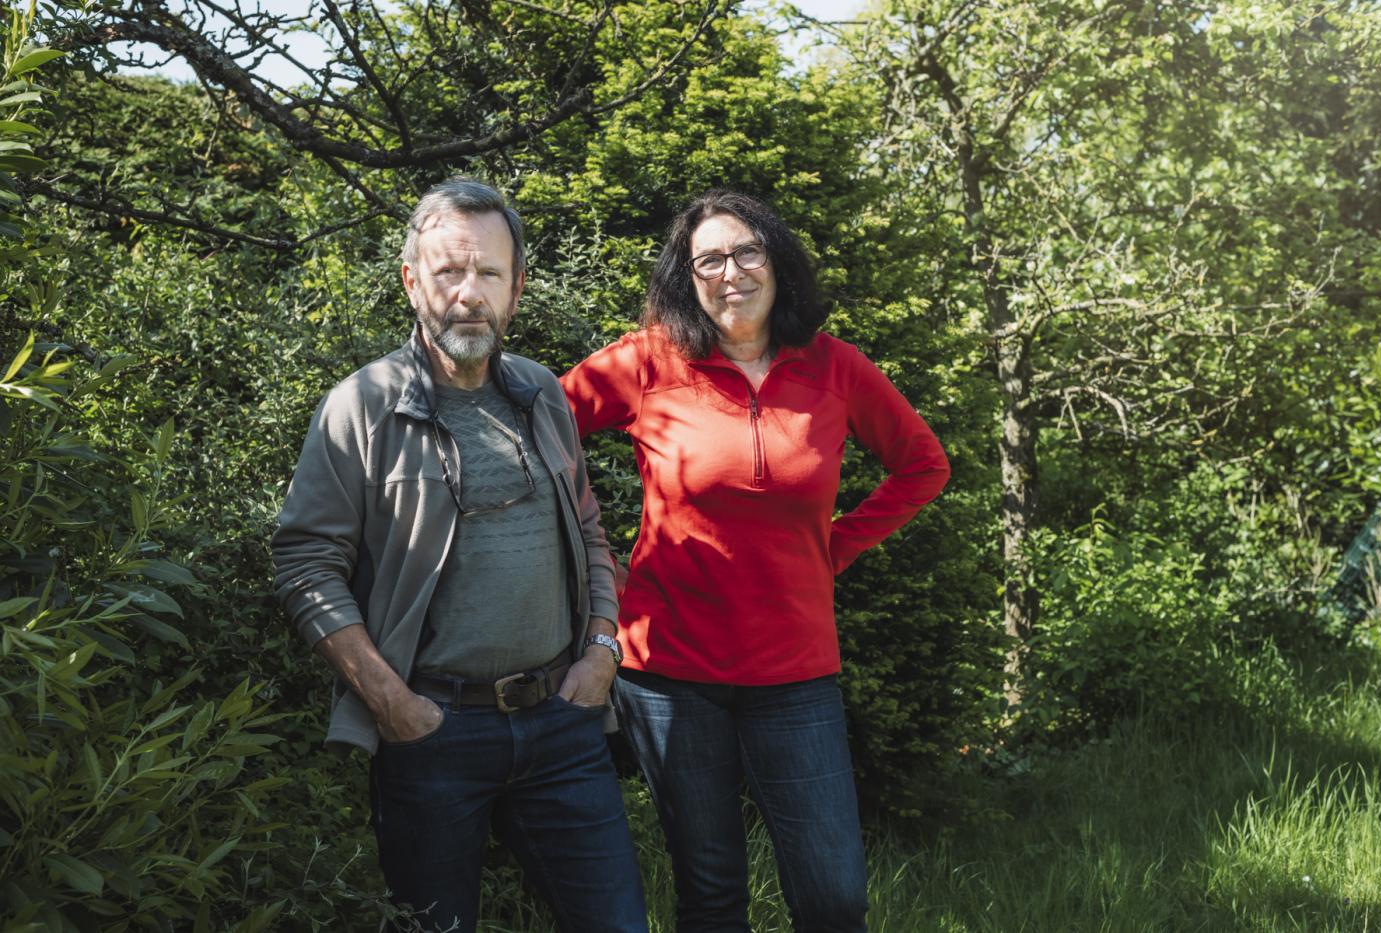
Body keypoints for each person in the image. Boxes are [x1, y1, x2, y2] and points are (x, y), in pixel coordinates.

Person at [560, 189, 951, 932]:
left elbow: (922, 465)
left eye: (747, 252)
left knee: (835, 898)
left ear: (777, 262)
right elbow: (541, 432)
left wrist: (833, 547)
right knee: (711, 898)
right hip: (669, 671)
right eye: (708, 259)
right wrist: (599, 561)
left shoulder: (834, 368)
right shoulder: (646, 362)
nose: (730, 272)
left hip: (796, 674)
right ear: (687, 276)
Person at [271, 178, 647, 932]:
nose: (467, 293)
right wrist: (393, 704)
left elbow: (589, 528)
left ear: (517, 289)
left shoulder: (542, 394)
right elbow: (306, 566)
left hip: (564, 725)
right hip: (431, 733)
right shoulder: (363, 405)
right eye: (448, 272)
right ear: (412, 282)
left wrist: (603, 651)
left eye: (488, 274)